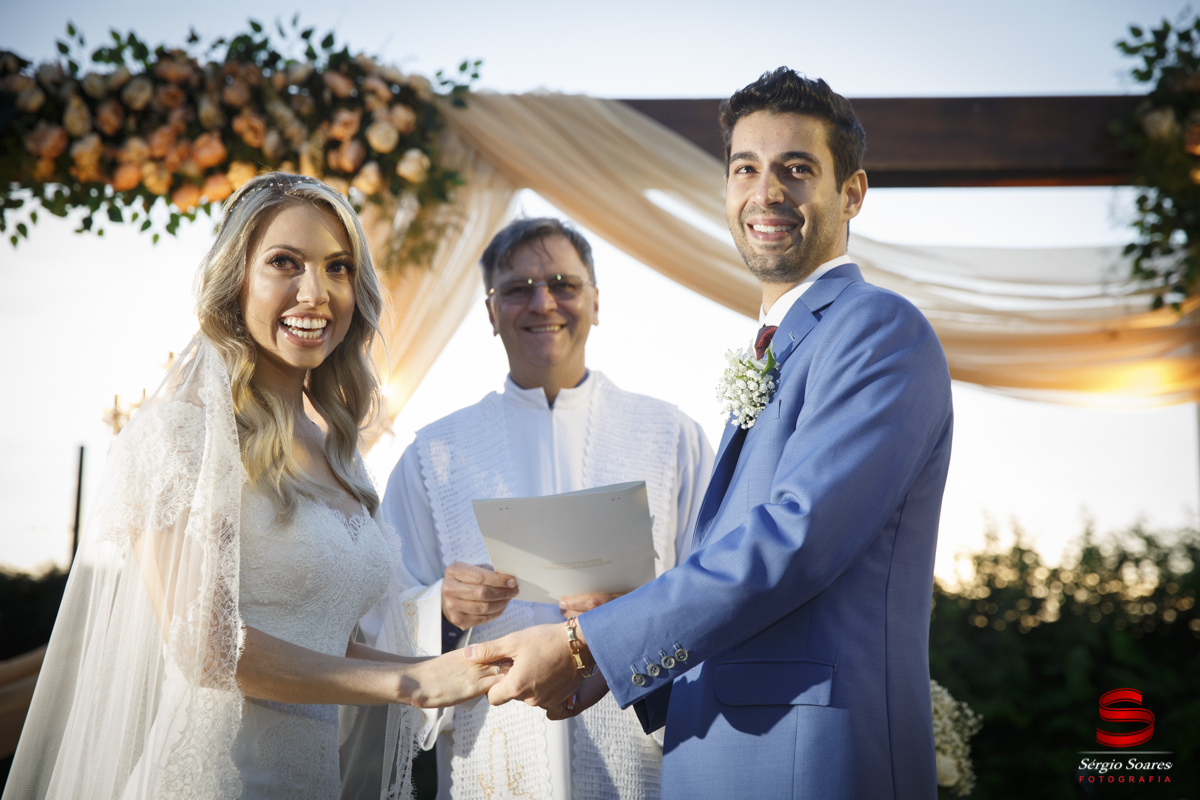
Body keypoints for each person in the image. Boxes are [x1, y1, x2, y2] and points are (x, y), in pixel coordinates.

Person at [464, 69, 954, 799]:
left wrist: (589, 642)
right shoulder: (778, 342)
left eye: (797, 169)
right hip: (719, 753)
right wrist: (616, 655)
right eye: (745, 168)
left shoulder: (876, 328)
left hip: (808, 760)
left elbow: (796, 540)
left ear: (851, 193)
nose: (766, 192)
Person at [3, 173, 505, 800]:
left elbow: (322, 640)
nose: (315, 292)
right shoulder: (179, 439)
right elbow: (204, 646)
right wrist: (412, 684)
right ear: (235, 280)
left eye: (339, 267)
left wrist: (450, 670)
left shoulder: (338, 452)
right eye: (284, 263)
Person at [363, 218, 713, 799]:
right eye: (518, 288)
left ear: (596, 303)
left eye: (563, 284)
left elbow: (714, 587)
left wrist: (641, 612)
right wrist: (442, 610)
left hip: (641, 761)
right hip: (492, 758)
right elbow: (378, 615)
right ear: (491, 311)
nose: (542, 301)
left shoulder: (671, 436)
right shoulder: (435, 455)